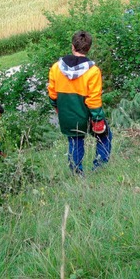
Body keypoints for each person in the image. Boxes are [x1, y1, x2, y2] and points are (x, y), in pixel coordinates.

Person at [48, 30, 112, 175]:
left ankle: (77, 174)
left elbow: (52, 93)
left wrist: (57, 108)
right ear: (89, 48)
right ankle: (99, 169)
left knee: (75, 141)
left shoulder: (56, 67)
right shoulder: (93, 71)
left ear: (72, 46)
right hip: (87, 113)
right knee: (105, 136)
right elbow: (94, 99)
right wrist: (98, 118)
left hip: (67, 113)